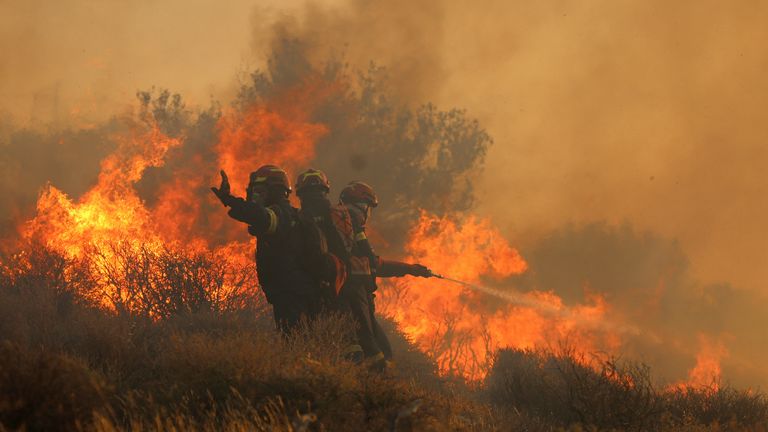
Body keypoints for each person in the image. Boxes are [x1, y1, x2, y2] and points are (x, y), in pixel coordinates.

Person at [211, 165, 338, 334]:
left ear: (276, 191)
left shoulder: (280, 215)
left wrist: (229, 199)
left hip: (292, 294)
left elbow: (259, 216)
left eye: (260, 191)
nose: (255, 196)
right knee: (306, 345)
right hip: (300, 291)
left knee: (294, 344)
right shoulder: (292, 214)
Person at [339, 181, 433, 367]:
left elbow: (375, 264)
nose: (368, 214)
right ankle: (375, 389)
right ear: (362, 206)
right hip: (355, 302)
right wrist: (409, 269)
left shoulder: (347, 235)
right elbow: (373, 264)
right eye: (368, 208)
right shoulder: (351, 233)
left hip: (358, 302)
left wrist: (410, 269)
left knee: (380, 352)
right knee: (378, 354)